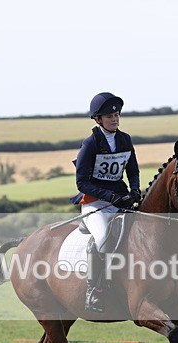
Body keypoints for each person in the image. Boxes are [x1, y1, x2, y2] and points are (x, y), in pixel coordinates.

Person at [70, 92, 141, 312]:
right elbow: (81, 182)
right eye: (109, 115)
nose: (115, 118)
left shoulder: (125, 139)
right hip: (94, 204)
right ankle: (95, 289)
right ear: (98, 119)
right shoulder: (90, 144)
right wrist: (108, 196)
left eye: (117, 114)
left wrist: (135, 190)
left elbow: (133, 169)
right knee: (102, 238)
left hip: (120, 200)